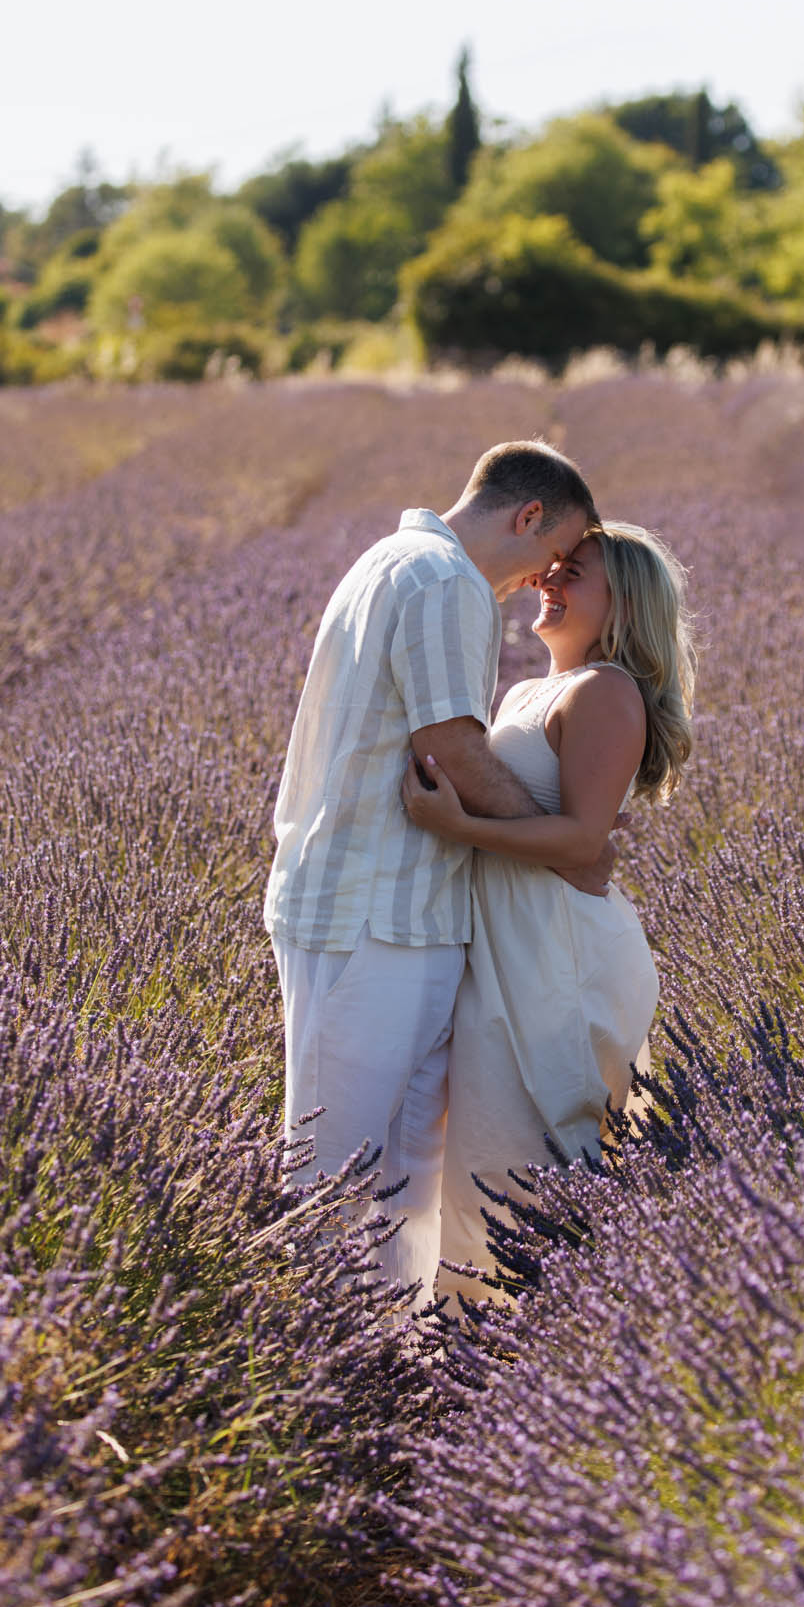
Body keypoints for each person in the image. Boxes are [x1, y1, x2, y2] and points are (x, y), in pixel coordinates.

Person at [264, 440, 603, 1306]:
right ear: (528, 515)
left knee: (397, 1177)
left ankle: (392, 1352)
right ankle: (316, 1353)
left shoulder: (393, 559)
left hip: (395, 909)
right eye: (554, 552)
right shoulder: (445, 580)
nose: (545, 578)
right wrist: (563, 846)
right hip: (372, 912)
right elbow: (449, 747)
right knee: (335, 1173)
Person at [401, 521, 696, 1309]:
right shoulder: (530, 689)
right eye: (552, 568)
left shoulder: (607, 690)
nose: (548, 582)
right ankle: (484, 1337)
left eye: (574, 574)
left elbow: (581, 841)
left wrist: (457, 826)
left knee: (522, 1155)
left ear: (622, 605)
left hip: (559, 947)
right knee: (481, 1147)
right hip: (514, 939)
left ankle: (546, 1333)